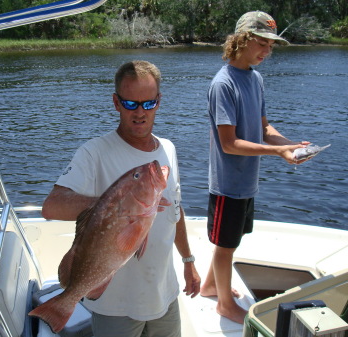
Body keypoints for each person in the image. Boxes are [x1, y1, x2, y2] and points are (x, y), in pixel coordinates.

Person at [42, 60, 201, 337]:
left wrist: (188, 261)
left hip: (165, 294)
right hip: (115, 305)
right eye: (130, 104)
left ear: (158, 102)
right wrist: (112, 203)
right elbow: (51, 206)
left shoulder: (168, 150)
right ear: (116, 102)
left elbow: (175, 210)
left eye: (148, 104)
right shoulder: (95, 153)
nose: (139, 113)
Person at [199, 11, 310, 324]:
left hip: (246, 181)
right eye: (262, 43)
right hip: (226, 183)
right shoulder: (223, 84)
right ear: (242, 40)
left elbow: (264, 128)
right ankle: (223, 303)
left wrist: (291, 148)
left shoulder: (255, 78)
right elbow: (229, 143)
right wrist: (277, 152)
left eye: (271, 46)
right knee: (225, 246)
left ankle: (209, 286)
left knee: (230, 240)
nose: (267, 51)